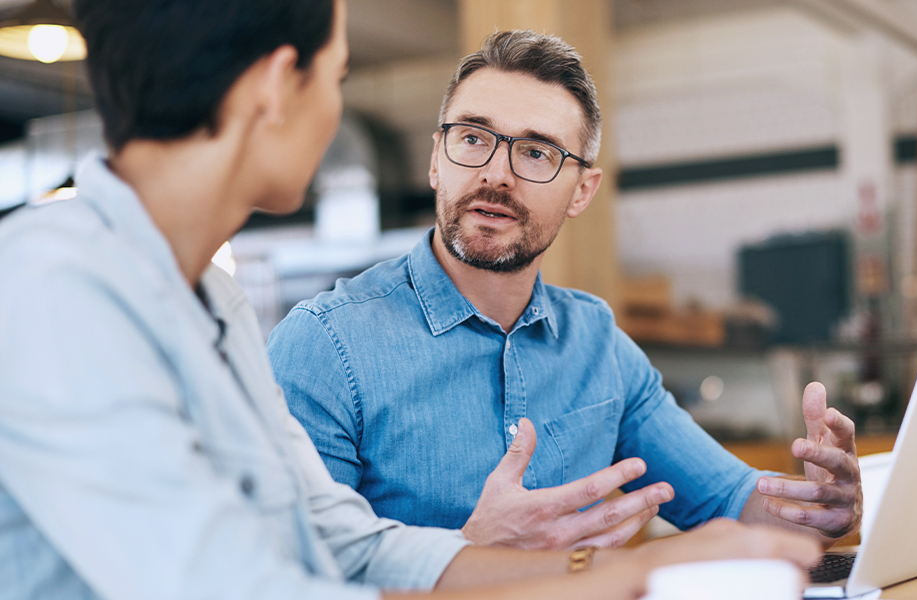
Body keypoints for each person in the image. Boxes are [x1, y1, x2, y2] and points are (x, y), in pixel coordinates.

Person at [0, 1, 825, 598]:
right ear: (279, 86)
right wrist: (617, 576)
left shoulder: (210, 300)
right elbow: (243, 585)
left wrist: (622, 569)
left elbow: (348, 547)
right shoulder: (48, 286)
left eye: (537, 152)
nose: (335, 111)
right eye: (340, 77)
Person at [267, 30, 863, 552]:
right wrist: (469, 551)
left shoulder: (597, 343)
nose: (496, 173)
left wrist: (818, 510)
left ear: (582, 191)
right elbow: (283, 577)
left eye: (535, 152)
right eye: (473, 138)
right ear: (435, 160)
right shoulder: (323, 346)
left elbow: (732, 501)